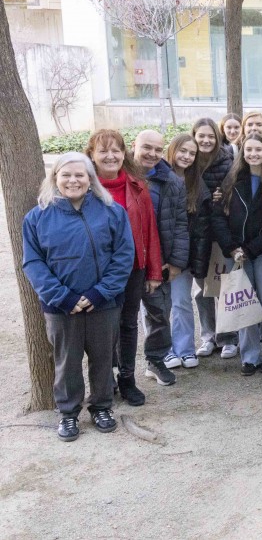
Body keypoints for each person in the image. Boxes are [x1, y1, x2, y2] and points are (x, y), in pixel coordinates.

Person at [23, 153, 135, 441]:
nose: (73, 180)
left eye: (80, 175)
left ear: (90, 179)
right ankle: (69, 413)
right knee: (67, 361)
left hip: (104, 303)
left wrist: (99, 293)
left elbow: (124, 256)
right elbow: (33, 263)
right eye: (66, 175)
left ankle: (101, 406)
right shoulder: (37, 217)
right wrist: (63, 297)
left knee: (102, 358)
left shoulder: (112, 211)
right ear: (55, 179)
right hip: (62, 307)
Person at [86, 130, 162, 407]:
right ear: (92, 155)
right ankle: (104, 380)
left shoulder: (137, 185)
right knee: (102, 328)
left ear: (124, 154)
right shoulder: (83, 187)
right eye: (104, 151)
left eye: (116, 150)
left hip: (132, 270)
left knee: (128, 324)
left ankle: (127, 379)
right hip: (96, 273)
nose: (111, 156)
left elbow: (150, 229)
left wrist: (154, 271)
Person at [211, 133, 262, 376]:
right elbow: (218, 216)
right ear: (243, 153)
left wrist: (252, 248)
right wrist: (231, 247)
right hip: (237, 253)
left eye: (258, 150)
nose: (253, 154)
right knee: (244, 303)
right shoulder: (232, 180)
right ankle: (249, 357)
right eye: (249, 150)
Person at [132, 130, 189, 387]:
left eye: (157, 149)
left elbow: (180, 224)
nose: (152, 154)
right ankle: (117, 371)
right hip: (127, 261)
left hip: (160, 260)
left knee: (159, 313)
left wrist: (176, 261)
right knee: (120, 318)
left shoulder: (172, 181)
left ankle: (156, 360)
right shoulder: (119, 176)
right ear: (134, 145)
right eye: (146, 147)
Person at [163, 134, 211, 370]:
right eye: (182, 151)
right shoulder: (159, 177)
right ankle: (164, 351)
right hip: (158, 253)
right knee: (158, 306)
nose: (187, 156)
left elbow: (201, 226)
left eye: (192, 153)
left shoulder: (196, 183)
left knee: (181, 301)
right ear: (172, 150)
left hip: (183, 255)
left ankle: (184, 348)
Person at [191, 119, 238, 359]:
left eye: (210, 136)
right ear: (194, 136)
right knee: (201, 289)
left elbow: (232, 195)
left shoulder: (226, 160)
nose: (206, 140)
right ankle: (208, 335)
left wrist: (222, 197)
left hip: (219, 232)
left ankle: (229, 336)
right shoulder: (188, 160)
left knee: (223, 286)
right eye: (201, 136)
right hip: (197, 234)